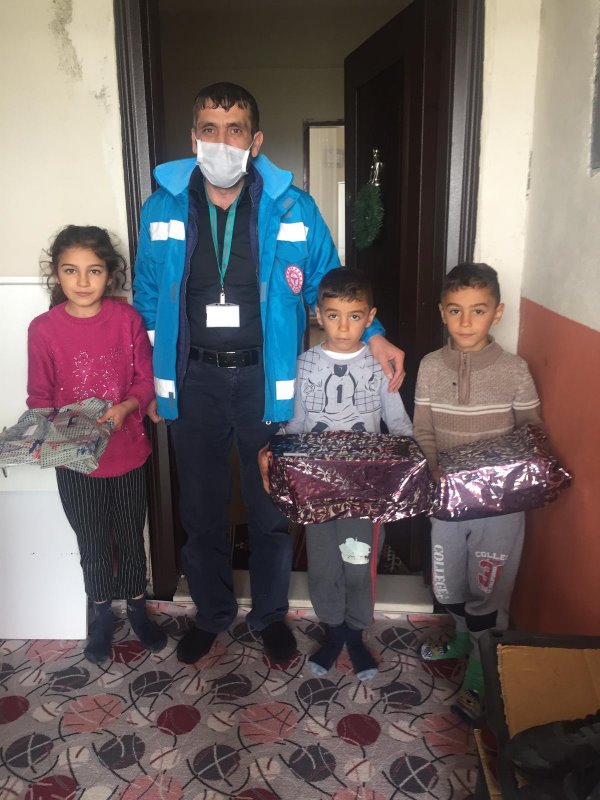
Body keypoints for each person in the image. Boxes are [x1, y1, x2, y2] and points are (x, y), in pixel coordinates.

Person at [132, 82, 405, 665]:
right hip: (194, 381)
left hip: (269, 381)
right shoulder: (162, 206)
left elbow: (330, 283)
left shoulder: (293, 207)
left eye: (234, 130)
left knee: (271, 509)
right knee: (201, 512)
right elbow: (148, 297)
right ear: (194, 138)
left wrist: (376, 335)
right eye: (210, 129)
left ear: (254, 141)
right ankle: (211, 614)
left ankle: (270, 615)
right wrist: (155, 379)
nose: (221, 142)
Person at [261, 268, 413, 679]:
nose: (344, 327)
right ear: (318, 314)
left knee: (359, 561)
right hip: (317, 492)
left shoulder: (379, 365)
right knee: (325, 564)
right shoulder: (304, 366)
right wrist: (275, 449)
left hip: (366, 492)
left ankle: (355, 634)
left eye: (355, 316)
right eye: (333, 315)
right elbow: (295, 425)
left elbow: (399, 425)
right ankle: (333, 632)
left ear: (370, 317)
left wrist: (411, 469)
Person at [27, 225, 167, 665]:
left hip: (127, 453)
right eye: (71, 270)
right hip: (74, 461)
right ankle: (103, 615)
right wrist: (48, 432)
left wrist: (127, 406)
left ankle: (138, 608)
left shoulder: (127, 320)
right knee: (92, 541)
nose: (83, 281)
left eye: (94, 270)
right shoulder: (43, 329)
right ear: (57, 274)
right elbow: (39, 396)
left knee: (130, 536)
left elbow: (144, 379)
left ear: (110, 274)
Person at [413, 263, 543, 722]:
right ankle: (462, 640)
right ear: (442, 313)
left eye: (478, 310)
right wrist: (435, 475)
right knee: (448, 587)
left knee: (489, 593)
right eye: (455, 310)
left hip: (499, 511)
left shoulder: (514, 370)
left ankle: (480, 675)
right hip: (447, 504)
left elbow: (531, 433)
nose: (466, 322)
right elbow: (423, 429)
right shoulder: (430, 366)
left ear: (497, 313)